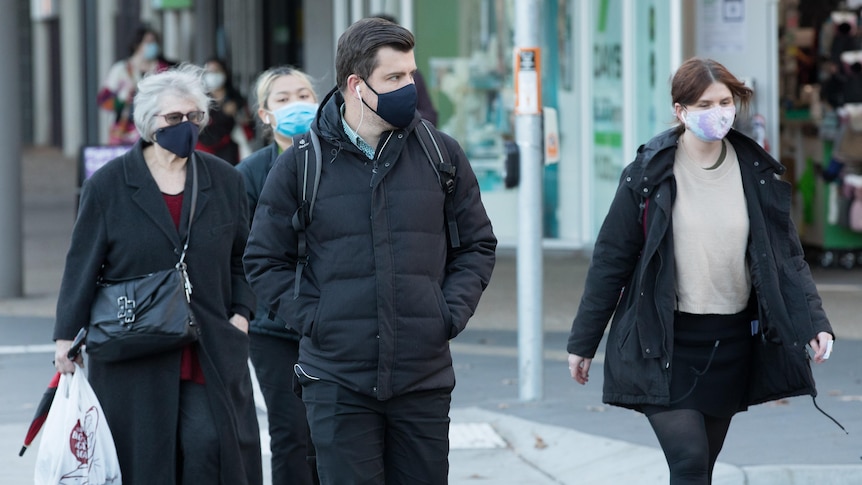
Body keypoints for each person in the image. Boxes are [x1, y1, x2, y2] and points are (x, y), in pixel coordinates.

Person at [243, 17, 497, 484]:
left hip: (422, 379)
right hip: (336, 381)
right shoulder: (301, 164)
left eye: (411, 75)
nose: (409, 87)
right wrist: (317, 319)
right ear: (357, 85)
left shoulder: (442, 155)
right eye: (395, 78)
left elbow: (478, 245)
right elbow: (263, 259)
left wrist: (447, 312)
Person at [566, 57, 835, 485]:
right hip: (666, 344)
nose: (719, 112)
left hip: (729, 345)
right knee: (689, 462)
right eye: (706, 103)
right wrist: (584, 342)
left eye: (725, 101)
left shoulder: (756, 173)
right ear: (680, 110)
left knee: (701, 468)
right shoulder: (647, 175)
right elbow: (611, 260)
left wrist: (815, 324)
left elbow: (788, 258)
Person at [53, 64, 262, 485]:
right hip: (135, 347)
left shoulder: (224, 180)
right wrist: (66, 336)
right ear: (149, 122)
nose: (186, 126)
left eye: (194, 117)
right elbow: (82, 265)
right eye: (174, 118)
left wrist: (241, 314)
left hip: (210, 343)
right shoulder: (109, 185)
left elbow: (245, 257)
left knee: (209, 449)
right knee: (143, 460)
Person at [235, 66, 320, 485]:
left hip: (335, 323)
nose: (297, 104)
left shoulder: (342, 162)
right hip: (274, 327)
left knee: (335, 435)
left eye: (304, 94)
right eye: (283, 99)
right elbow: (243, 253)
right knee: (291, 433)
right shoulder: (250, 174)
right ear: (265, 115)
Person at [97, 25, 172, 145]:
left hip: (156, 130)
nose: (152, 46)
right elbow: (103, 100)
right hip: (125, 132)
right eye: (148, 42)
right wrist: (121, 99)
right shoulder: (120, 70)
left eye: (154, 42)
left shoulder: (163, 69)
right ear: (137, 44)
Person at [372, 13, 439, 126]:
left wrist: (405, 114)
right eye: (394, 77)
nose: (408, 83)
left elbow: (431, 116)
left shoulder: (415, 76)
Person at [196, 57, 252, 165]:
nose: (213, 76)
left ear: (225, 73)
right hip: (204, 152)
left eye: (216, 71)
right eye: (209, 72)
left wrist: (243, 118)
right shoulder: (199, 100)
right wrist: (224, 114)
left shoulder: (236, 99)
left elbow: (249, 130)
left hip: (230, 154)